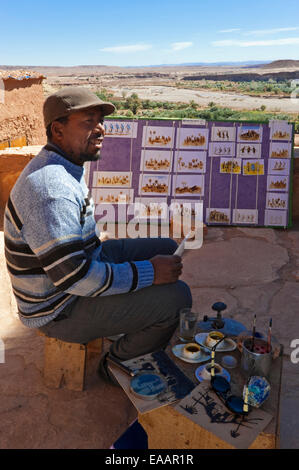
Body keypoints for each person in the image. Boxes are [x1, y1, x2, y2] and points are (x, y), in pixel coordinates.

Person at [3, 86, 192, 384]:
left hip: (79, 272)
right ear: (58, 130)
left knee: (166, 247)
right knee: (176, 298)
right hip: (59, 308)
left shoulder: (63, 164)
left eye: (100, 121)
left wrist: (140, 269)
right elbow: (75, 278)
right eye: (88, 121)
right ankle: (116, 366)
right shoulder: (52, 190)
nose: (100, 129)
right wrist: (148, 273)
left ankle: (130, 317)